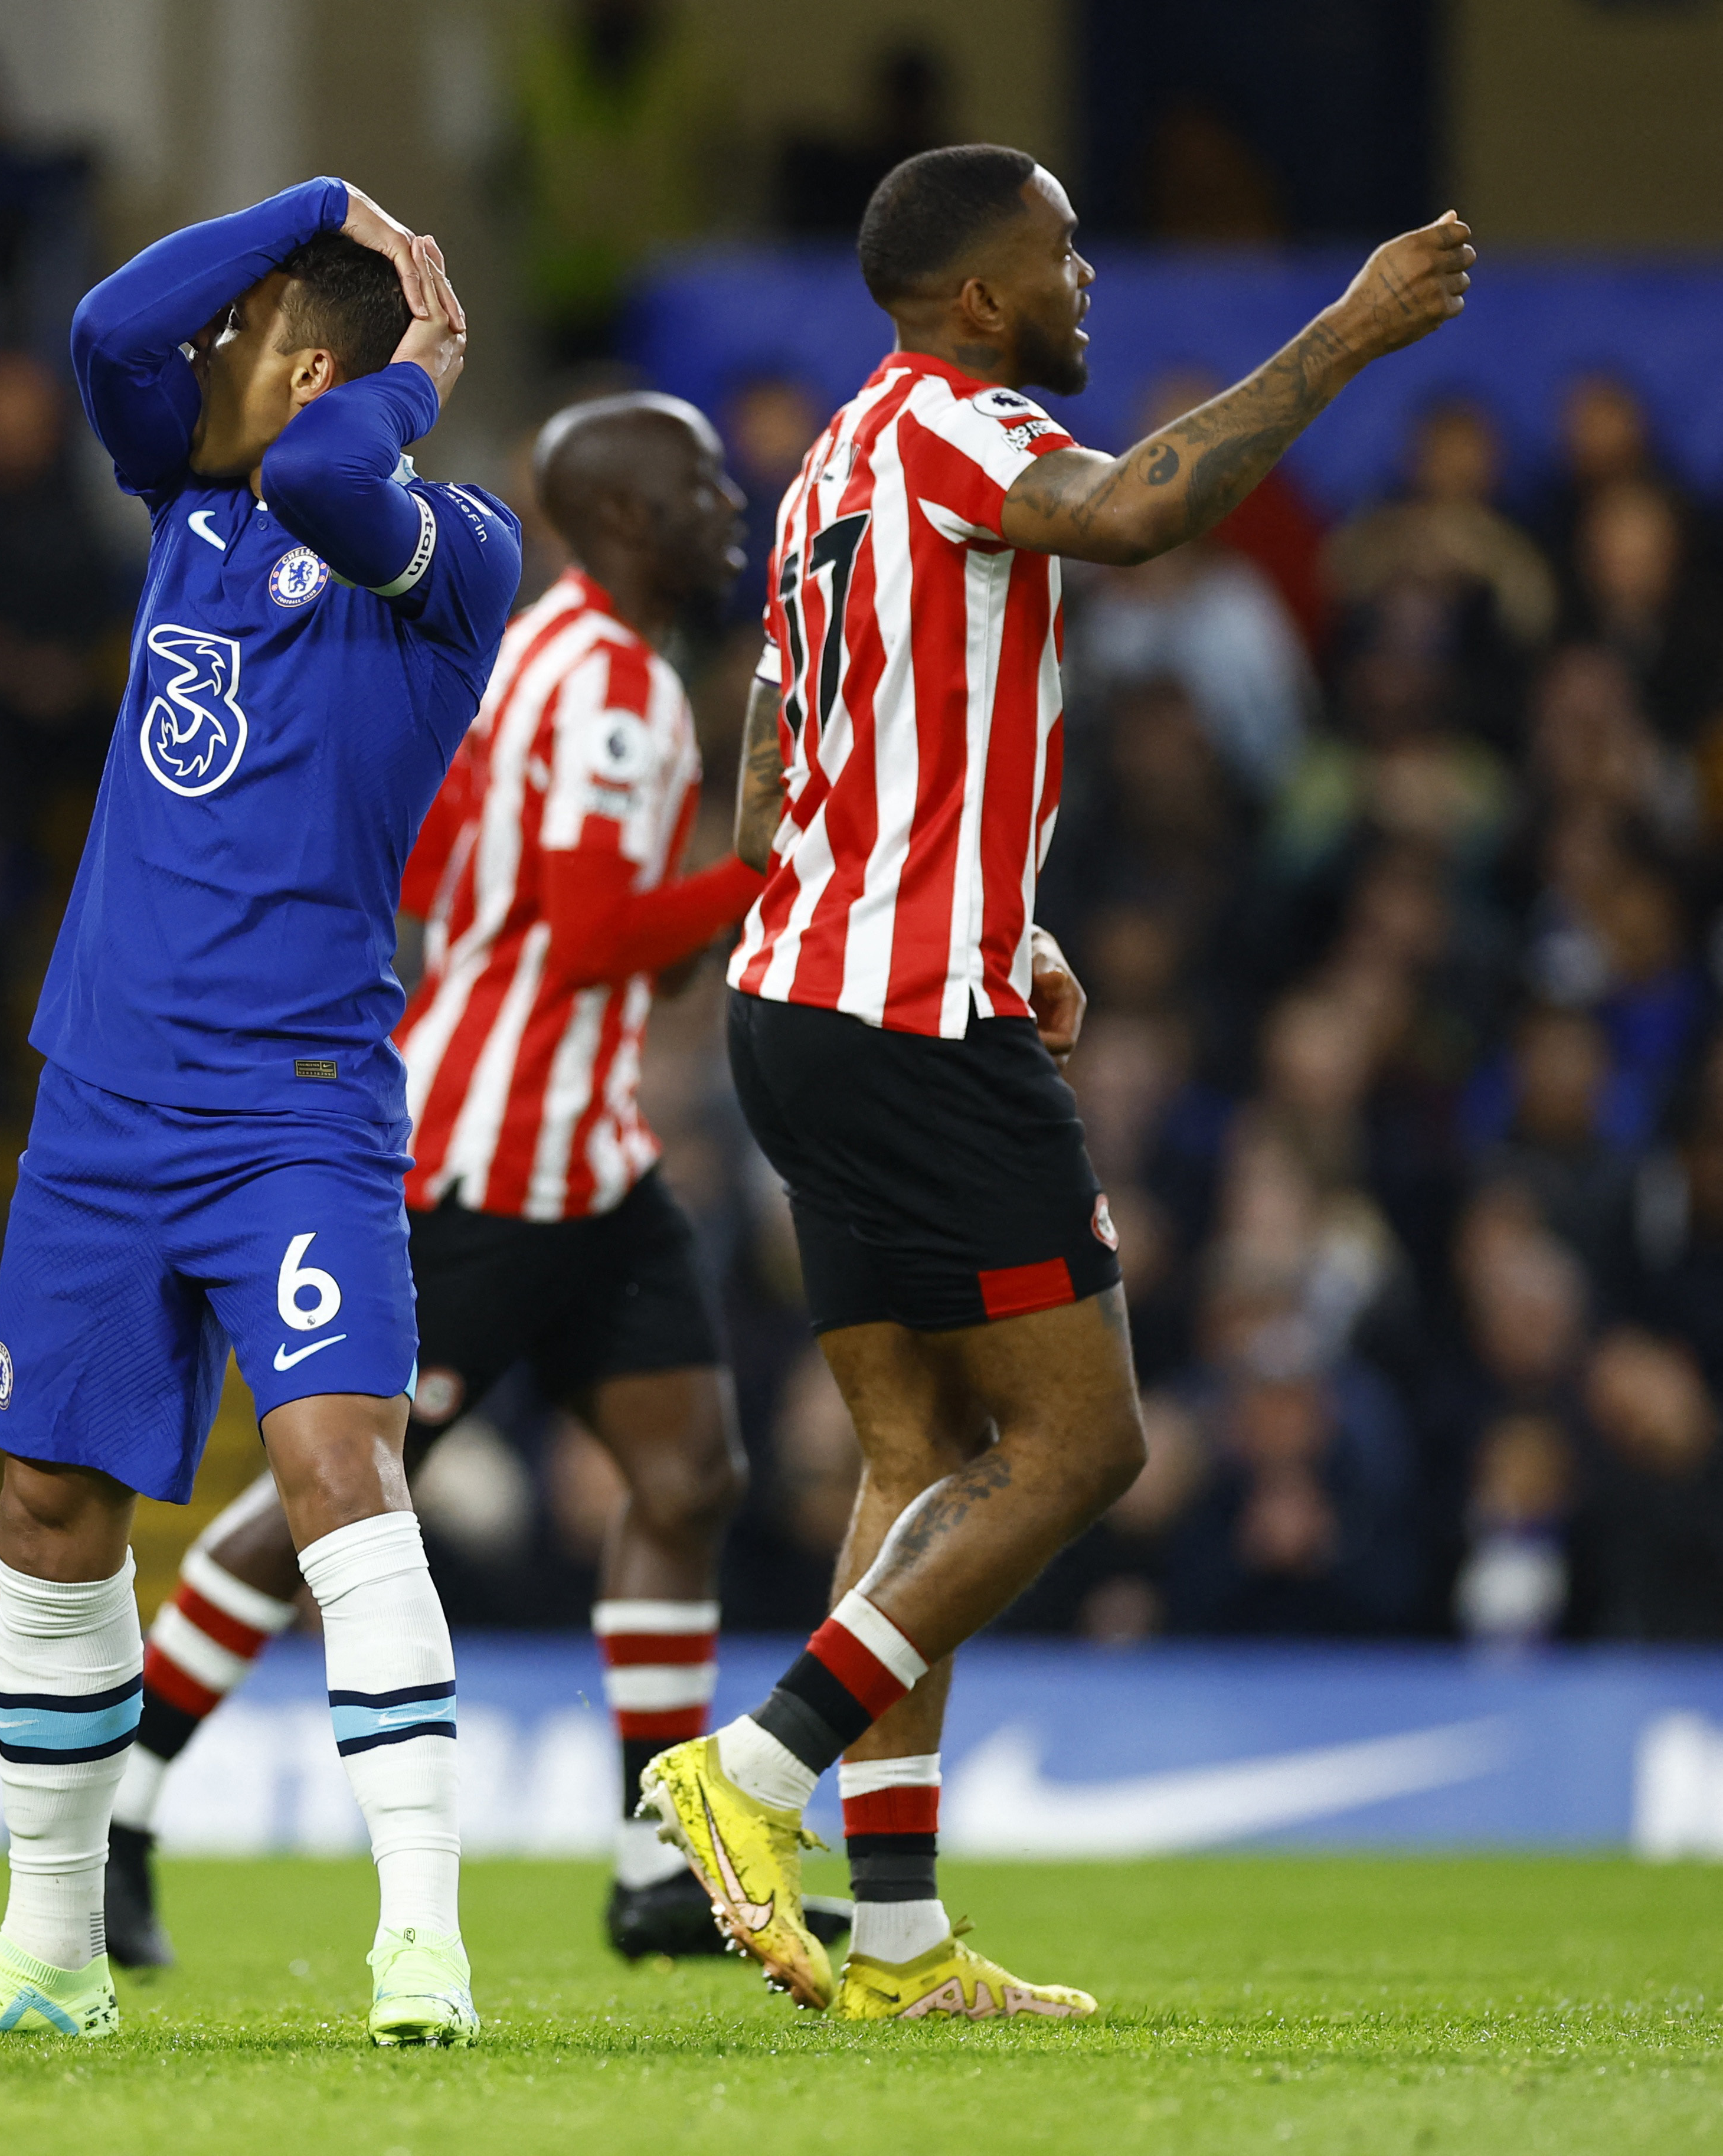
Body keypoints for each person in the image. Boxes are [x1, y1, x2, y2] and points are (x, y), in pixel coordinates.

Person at [650, 144, 1472, 2021]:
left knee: (917, 1460)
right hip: (905, 1025)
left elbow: (781, 763)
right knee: (1082, 1446)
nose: (1088, 283)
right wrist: (1342, 335)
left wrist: (971, 905)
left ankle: (900, 1942)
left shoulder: (822, 476)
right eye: (1063, 257)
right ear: (976, 301)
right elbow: (1127, 522)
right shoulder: (958, 425)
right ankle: (749, 1774)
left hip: (801, 997)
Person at [0, 179, 516, 2049]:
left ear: (305, 374)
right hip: (104, 1098)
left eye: (248, 343)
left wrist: (413, 367)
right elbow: (107, 336)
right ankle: (47, 1953)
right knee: (48, 1503)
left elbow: (322, 481)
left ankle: (419, 1940)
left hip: (292, 1102)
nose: (197, 361)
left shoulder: (453, 548)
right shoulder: (183, 506)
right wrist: (308, 209)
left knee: (334, 1479)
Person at [103, 391, 828, 1969]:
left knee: (687, 1475)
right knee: (325, 1513)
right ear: (630, 519)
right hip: (474, 1172)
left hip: (584, 1160)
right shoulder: (616, 691)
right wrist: (760, 868)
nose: (731, 509)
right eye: (704, 486)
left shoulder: (557, 662)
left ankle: (659, 1865)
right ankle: (116, 1808)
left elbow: (436, 863)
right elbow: (591, 938)